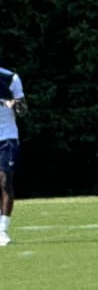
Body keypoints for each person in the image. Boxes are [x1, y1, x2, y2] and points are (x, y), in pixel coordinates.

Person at [0, 67, 28, 246]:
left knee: (4, 180)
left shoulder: (10, 78)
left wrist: (16, 105)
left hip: (7, 137)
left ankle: (2, 230)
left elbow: (24, 109)